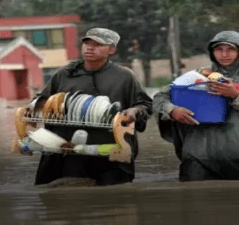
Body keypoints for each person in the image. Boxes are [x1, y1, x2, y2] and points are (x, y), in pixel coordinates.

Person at [33, 28, 153, 186]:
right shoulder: (65, 74)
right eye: (87, 43)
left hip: (110, 148)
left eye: (97, 44)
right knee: (63, 193)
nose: (90, 47)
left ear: (111, 50)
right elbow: (39, 103)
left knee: (114, 198)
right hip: (68, 149)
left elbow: (146, 105)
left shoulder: (124, 76)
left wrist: (134, 111)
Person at [153, 30, 239, 181]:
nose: (224, 54)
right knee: (194, 198)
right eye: (219, 49)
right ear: (212, 52)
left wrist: (235, 95)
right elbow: (160, 97)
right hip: (198, 155)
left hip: (236, 154)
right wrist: (172, 110)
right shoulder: (198, 75)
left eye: (231, 49)